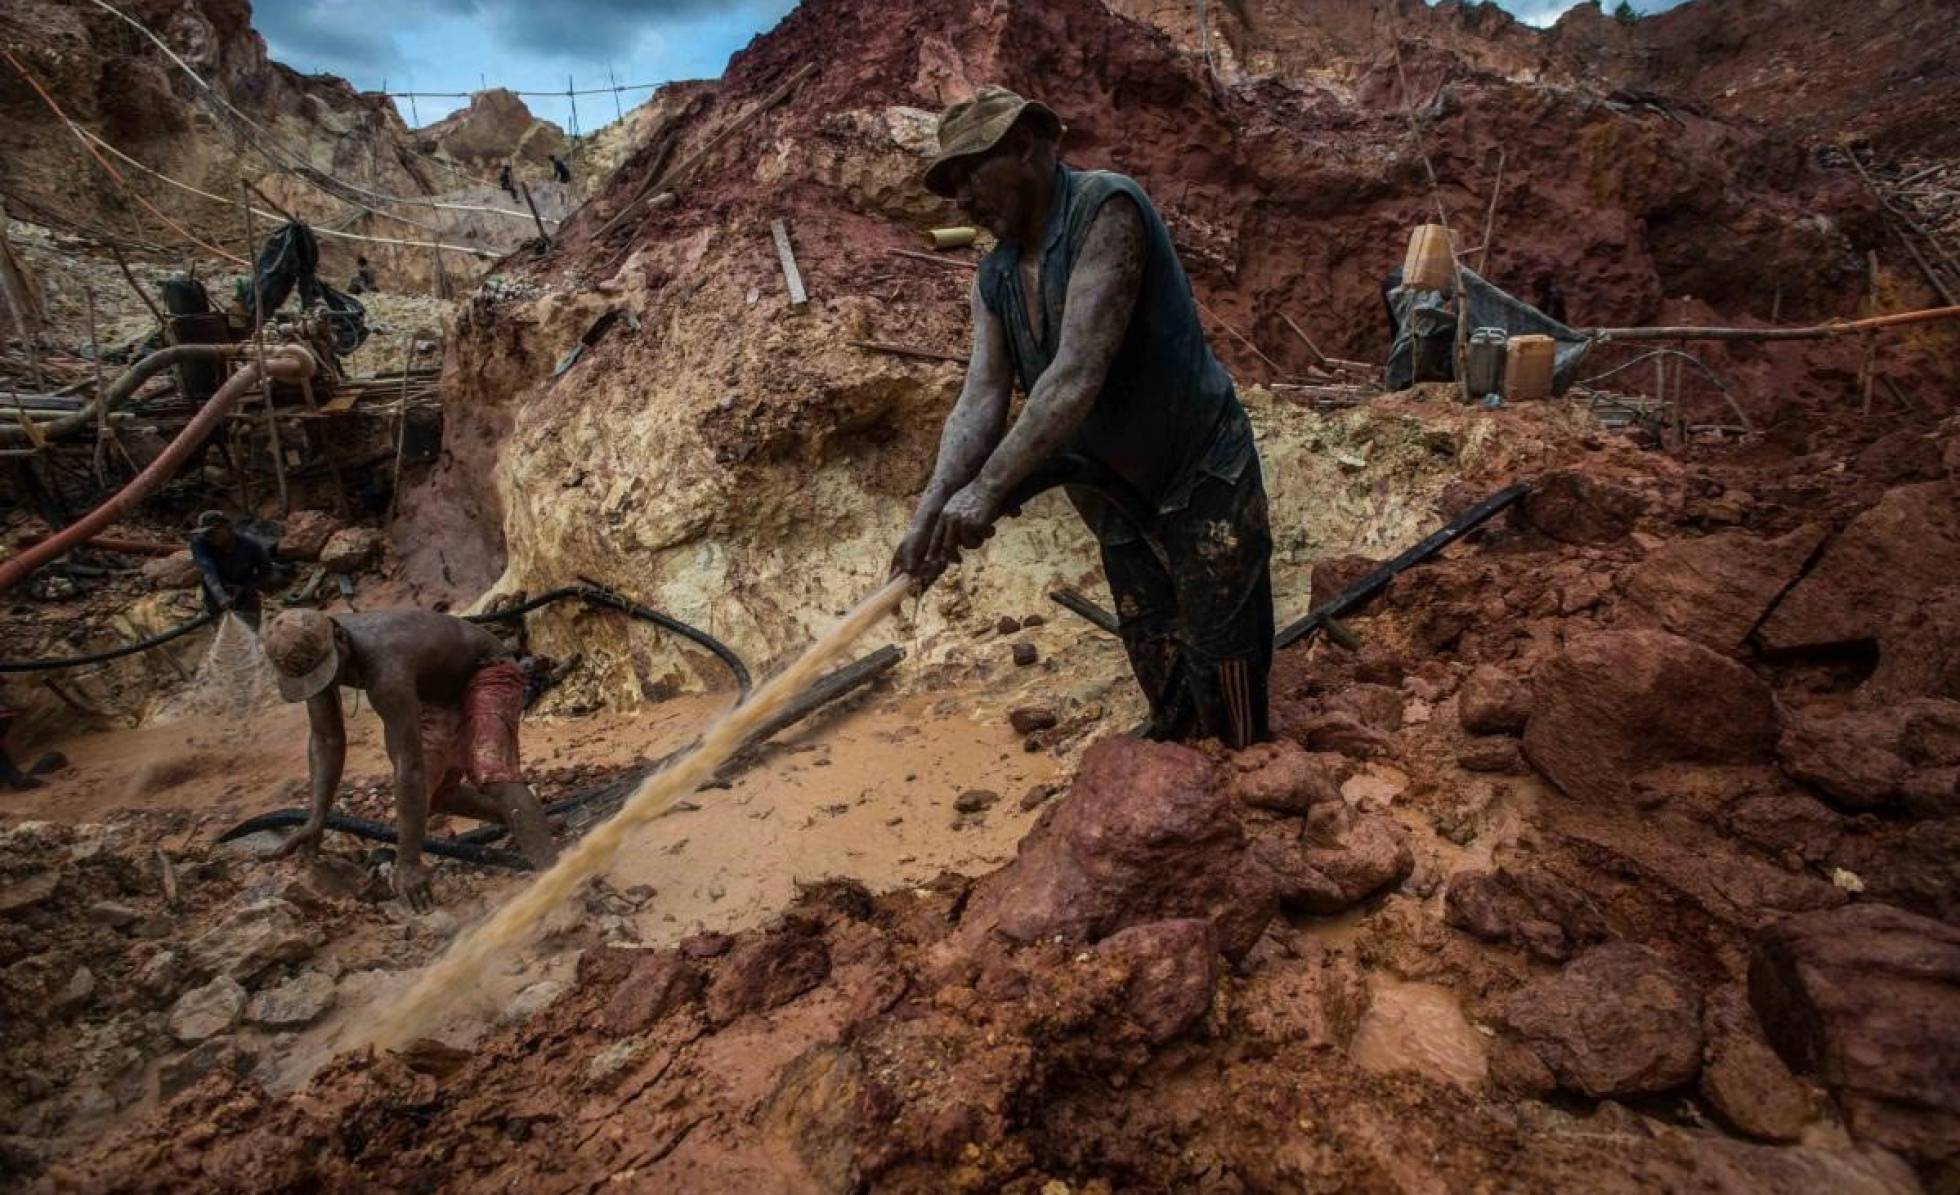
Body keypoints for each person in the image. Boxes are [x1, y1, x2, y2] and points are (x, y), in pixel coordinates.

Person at [893, 86, 1273, 749]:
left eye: (970, 172)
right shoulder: (995, 275)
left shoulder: (1106, 208)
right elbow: (981, 395)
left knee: (1228, 657)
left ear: (1027, 147)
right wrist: (931, 511)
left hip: (1197, 465)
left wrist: (988, 489)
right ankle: (1178, 781)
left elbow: (1074, 374)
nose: (961, 199)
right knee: (1157, 652)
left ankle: (1252, 780)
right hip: (1113, 497)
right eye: (950, 182)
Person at [260, 608, 559, 910]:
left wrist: (408, 861)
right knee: (434, 793)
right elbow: (326, 738)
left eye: (329, 671)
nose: (328, 682)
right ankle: (528, 822)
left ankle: (558, 881)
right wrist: (316, 817)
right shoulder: (316, 652)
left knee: (490, 771)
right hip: (432, 691)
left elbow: (409, 765)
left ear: (340, 638)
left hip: (485, 670)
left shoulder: (385, 665)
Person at [188, 510, 274, 629]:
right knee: (222, 635)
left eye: (213, 532)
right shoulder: (200, 543)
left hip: (246, 598)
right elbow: (207, 570)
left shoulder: (250, 545)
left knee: (247, 636)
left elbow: (267, 572)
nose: (209, 538)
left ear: (227, 528)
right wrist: (220, 596)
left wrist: (246, 587)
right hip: (215, 597)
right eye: (206, 534)